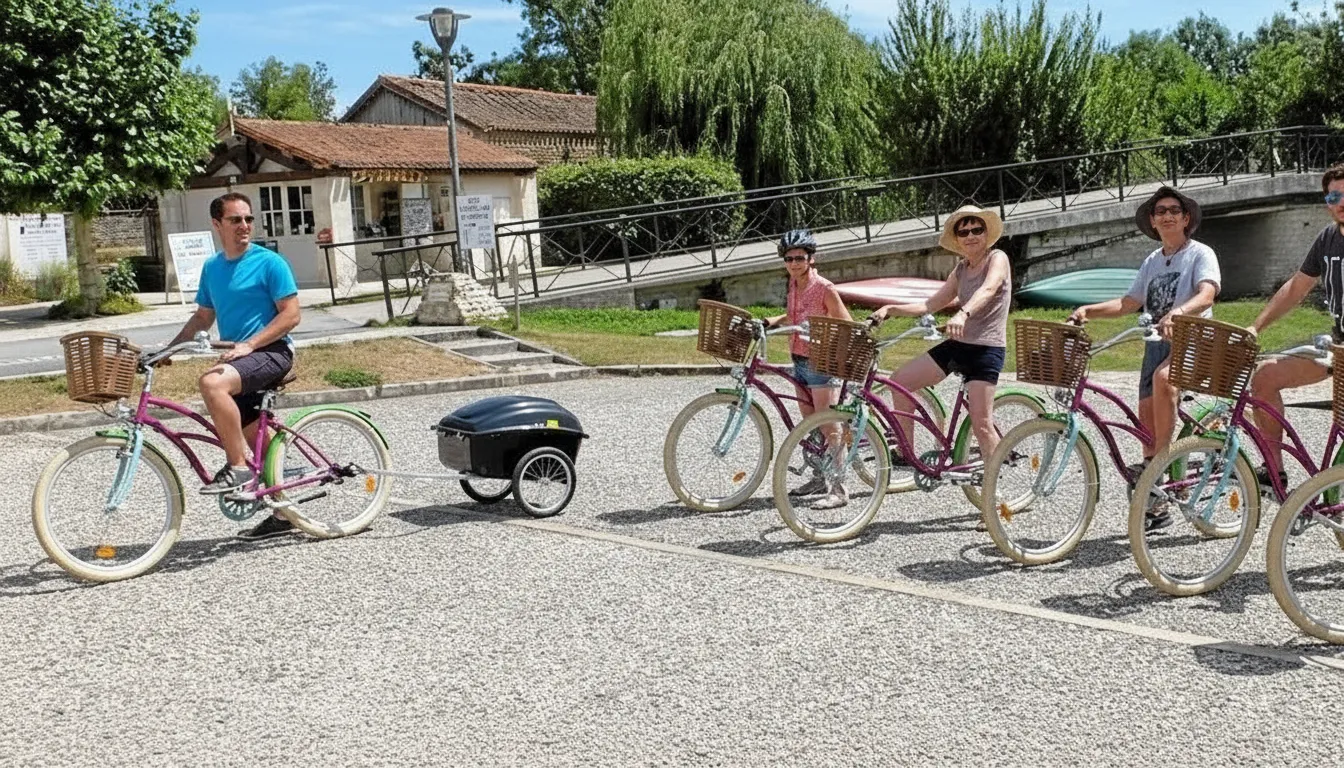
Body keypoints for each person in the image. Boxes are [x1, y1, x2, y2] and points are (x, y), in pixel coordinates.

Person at [1067, 186, 1220, 531]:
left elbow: (1208, 293)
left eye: (1173, 210)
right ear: (1153, 221)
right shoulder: (1153, 261)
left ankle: (1160, 467)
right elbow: (1129, 303)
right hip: (1155, 344)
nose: (1166, 215)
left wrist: (1178, 312)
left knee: (1165, 381)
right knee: (1146, 419)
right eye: (1160, 211)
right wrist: (1088, 309)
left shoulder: (1200, 254)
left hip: (1192, 340)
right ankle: (1157, 501)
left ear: (1185, 218)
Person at [164, 192, 302, 541]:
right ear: (216, 224)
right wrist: (168, 349)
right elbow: (203, 316)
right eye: (235, 220)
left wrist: (250, 344)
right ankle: (284, 512)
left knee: (212, 384)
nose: (244, 226)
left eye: (248, 219)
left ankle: (238, 468)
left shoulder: (270, 262)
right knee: (260, 438)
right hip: (241, 358)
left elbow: (292, 314)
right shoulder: (213, 268)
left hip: (271, 352)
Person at [868, 205, 1011, 493]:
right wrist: (890, 309)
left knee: (982, 425)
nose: (970, 236)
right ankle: (905, 452)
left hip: (986, 350)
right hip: (958, 345)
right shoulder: (961, 269)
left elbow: (989, 289)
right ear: (957, 239)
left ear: (986, 234)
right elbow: (929, 305)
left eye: (976, 229)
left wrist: (962, 314)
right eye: (964, 231)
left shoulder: (998, 258)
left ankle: (994, 499)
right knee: (900, 381)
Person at [1245, 162, 1344, 488]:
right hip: (1337, 346)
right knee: (1264, 377)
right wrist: (1256, 327)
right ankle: (1274, 472)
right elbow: (1296, 288)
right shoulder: (1327, 239)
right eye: (1333, 196)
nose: (1340, 202)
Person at [762, 229, 854, 510]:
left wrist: (827, 342)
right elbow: (796, 316)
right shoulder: (793, 285)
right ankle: (818, 477)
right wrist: (772, 321)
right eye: (788, 259)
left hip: (819, 362)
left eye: (799, 258)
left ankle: (839, 489)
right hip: (798, 360)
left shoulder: (824, 288)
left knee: (828, 424)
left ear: (811, 259)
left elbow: (845, 321)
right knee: (809, 423)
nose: (793, 264)